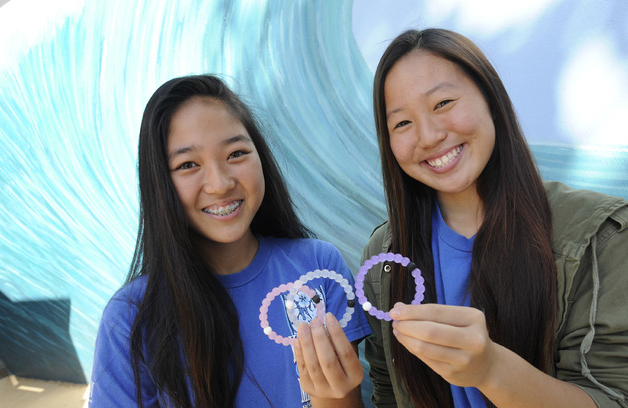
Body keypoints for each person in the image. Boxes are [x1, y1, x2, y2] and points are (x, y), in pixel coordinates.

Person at [360, 28, 628, 408]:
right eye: (402, 123)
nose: (430, 135)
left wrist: (491, 369)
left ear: (491, 97)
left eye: (443, 103)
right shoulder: (385, 259)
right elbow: (389, 393)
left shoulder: (602, 238)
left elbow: (614, 396)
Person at [89, 74, 370, 408]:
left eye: (236, 153)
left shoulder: (318, 267)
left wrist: (332, 394)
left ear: (260, 157)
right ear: (160, 183)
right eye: (188, 164)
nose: (220, 184)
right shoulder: (130, 318)